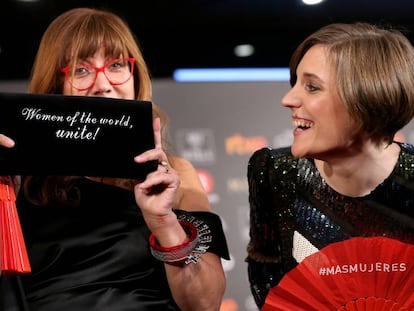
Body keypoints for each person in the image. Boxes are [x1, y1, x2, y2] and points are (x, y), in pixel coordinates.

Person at [0, 7, 230, 311]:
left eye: (117, 64)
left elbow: (205, 303)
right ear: (55, 87)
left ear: (134, 76)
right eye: (81, 70)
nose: (103, 83)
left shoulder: (178, 175)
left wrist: (163, 222)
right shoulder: (18, 178)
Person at [246, 22, 414, 309]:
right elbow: (270, 283)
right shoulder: (275, 172)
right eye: (295, 83)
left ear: (367, 96)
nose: (288, 99)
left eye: (312, 87)